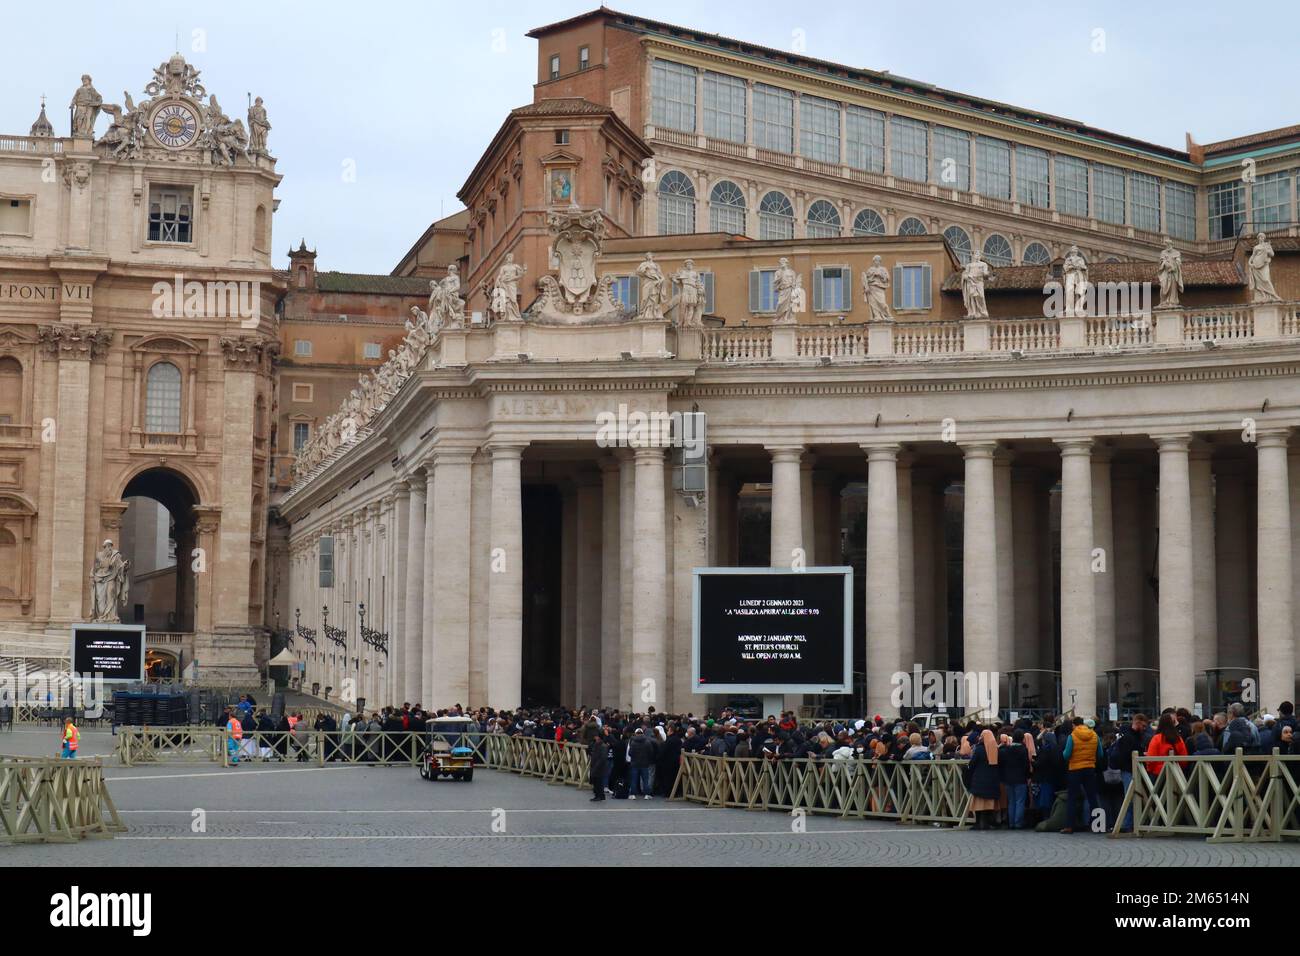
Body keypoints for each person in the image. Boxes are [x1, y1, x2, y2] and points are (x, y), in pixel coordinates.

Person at [1060, 717, 1103, 833]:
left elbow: (1066, 755)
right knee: (1092, 797)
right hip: (1090, 768)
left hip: (1075, 769)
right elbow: (1100, 754)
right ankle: (1097, 825)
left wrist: (1065, 753)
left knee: (1072, 798)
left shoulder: (1072, 736)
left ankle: (1070, 826)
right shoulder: (1094, 735)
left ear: (1074, 725)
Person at [965, 728, 1002, 830]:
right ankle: (988, 822)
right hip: (992, 781)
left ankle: (978, 823)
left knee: (978, 804)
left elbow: (972, 764)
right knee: (989, 805)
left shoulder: (979, 749)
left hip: (979, 780)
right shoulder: (995, 749)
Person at [627, 728, 655, 800]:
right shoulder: (647, 742)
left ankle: (633, 794)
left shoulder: (633, 742)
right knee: (645, 780)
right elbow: (651, 752)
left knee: (634, 780)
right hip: (644, 763)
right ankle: (647, 794)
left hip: (634, 763)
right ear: (642, 733)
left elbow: (630, 753)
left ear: (636, 733)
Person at [588, 732, 610, 801]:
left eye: (596, 736)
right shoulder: (596, 744)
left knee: (598, 782)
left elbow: (603, 758)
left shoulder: (602, 746)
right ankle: (600, 795)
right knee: (596, 781)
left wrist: (597, 765)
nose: (595, 737)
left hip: (599, 766)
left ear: (599, 737)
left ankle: (599, 795)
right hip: (595, 765)